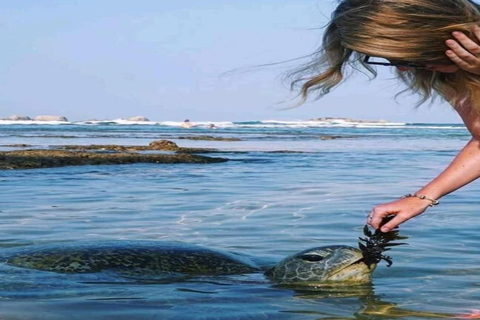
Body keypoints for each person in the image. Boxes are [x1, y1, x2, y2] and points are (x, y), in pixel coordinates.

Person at [289, 0, 480, 233]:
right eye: (392, 60)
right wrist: (422, 198)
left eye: (405, 57)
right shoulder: (451, 75)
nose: (403, 69)